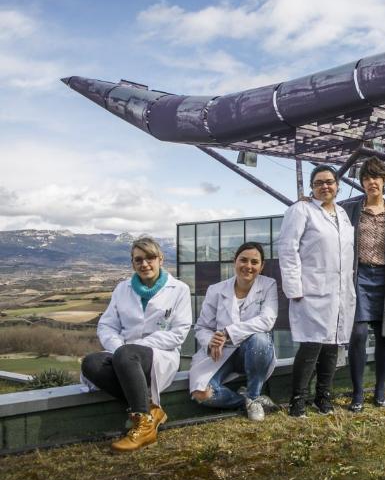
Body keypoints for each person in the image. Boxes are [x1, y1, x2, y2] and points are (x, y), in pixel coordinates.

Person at [81, 237, 192, 451]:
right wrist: (119, 349)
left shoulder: (179, 289)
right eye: (138, 259)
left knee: (128, 354)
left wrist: (134, 348)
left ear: (161, 259)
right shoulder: (122, 289)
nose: (145, 264)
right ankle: (151, 411)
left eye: (150, 258)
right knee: (91, 363)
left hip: (160, 355)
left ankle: (143, 426)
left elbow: (178, 333)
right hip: (123, 355)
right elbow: (106, 326)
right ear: (132, 263)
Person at [278, 164, 356, 417]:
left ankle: (323, 396)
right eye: (319, 182)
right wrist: (293, 287)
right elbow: (287, 250)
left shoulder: (342, 213)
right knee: (311, 345)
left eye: (329, 182)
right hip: (311, 289)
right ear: (312, 187)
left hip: (339, 290)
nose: (325, 186)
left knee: (332, 345)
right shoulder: (301, 210)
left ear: (337, 186)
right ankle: (298, 399)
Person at [341, 157, 385, 411]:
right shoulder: (349, 210)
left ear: (384, 181)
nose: (372, 182)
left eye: (377, 177)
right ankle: (358, 392)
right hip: (359, 276)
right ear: (362, 182)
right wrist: (307, 201)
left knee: (384, 335)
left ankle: (380, 390)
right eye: (367, 178)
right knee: (358, 334)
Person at [188, 242, 278, 421]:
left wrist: (228, 332)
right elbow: (202, 327)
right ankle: (248, 401)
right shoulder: (216, 290)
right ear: (234, 261)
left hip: (253, 351)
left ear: (262, 266)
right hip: (222, 352)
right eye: (243, 260)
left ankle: (253, 395)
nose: (248, 266)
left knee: (260, 339)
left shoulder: (268, 285)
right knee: (202, 394)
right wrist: (211, 340)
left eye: (254, 262)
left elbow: (267, 320)